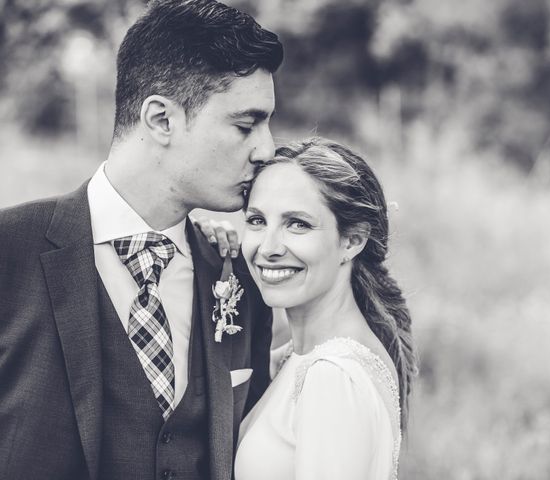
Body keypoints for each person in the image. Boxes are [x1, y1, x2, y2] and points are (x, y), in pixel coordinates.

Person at [0, 1, 282, 479]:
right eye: (245, 124)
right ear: (161, 119)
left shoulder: (240, 272)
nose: (267, 149)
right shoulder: (10, 251)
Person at [232, 137, 416, 480]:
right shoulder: (297, 357)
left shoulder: (334, 375)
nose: (268, 248)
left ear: (351, 241)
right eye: (257, 221)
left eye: (297, 224)